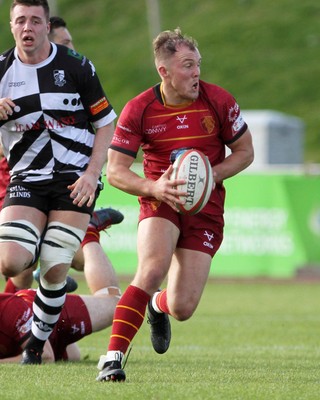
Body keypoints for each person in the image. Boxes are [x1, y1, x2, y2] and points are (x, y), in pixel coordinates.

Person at [96, 28, 254, 382]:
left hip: (205, 207)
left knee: (182, 307)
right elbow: (117, 171)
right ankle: (112, 358)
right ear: (164, 71)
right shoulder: (140, 108)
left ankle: (157, 306)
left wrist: (212, 175)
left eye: (198, 64)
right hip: (160, 200)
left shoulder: (219, 101)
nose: (196, 72)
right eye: (187, 65)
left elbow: (245, 152)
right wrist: (153, 187)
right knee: (152, 270)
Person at [0, 0, 117, 365]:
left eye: (35, 20)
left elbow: (106, 123)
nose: (27, 27)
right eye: (21, 20)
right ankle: (44, 240)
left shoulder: (77, 66)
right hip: (27, 177)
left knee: (53, 269)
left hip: (73, 179)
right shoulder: (1, 70)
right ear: (11, 25)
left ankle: (36, 344)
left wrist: (92, 173)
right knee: (11, 262)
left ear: (47, 25)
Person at [0, 230, 121, 363]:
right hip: (45, 337)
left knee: (116, 304)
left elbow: (44, 356)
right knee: (73, 355)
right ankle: (52, 286)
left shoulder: (10, 310)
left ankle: (89, 233)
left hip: (49, 316)